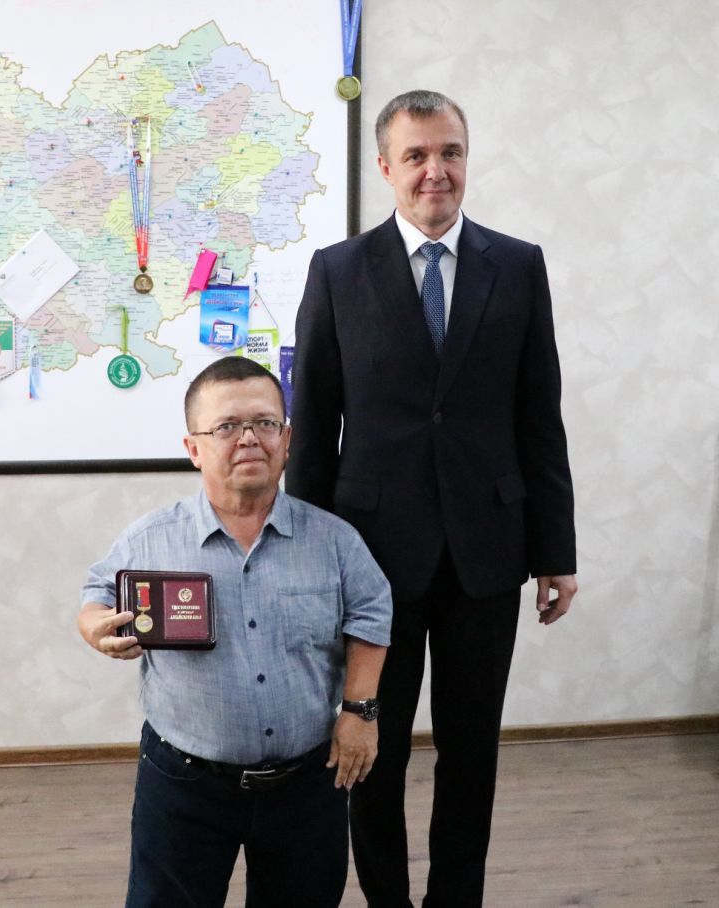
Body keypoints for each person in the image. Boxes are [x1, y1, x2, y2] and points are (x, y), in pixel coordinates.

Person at [285, 90, 577, 908]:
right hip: (371, 556)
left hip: (488, 550)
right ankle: (386, 899)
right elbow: (315, 427)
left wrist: (555, 552)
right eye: (416, 156)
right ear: (386, 167)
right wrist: (306, 558)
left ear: (465, 159)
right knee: (370, 746)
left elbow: (539, 416)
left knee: (472, 750)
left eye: (449, 152)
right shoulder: (338, 271)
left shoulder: (517, 265)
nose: (434, 171)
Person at [79, 357, 391, 908]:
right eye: (226, 426)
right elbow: (95, 596)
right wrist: (96, 630)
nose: (248, 438)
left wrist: (360, 712)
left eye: (265, 423)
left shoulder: (335, 541)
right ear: (194, 448)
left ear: (286, 440)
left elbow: (371, 612)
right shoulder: (150, 539)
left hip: (307, 785)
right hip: (183, 785)